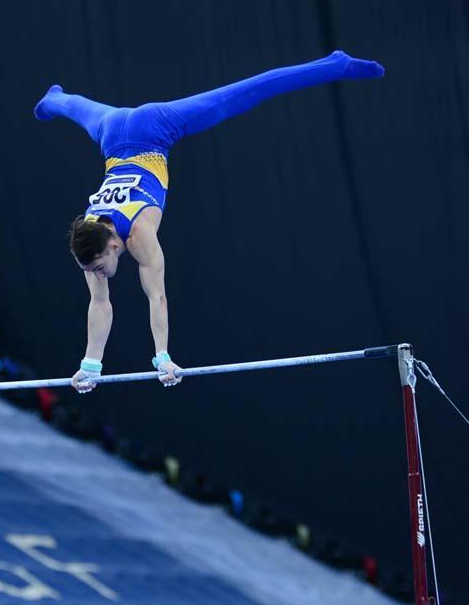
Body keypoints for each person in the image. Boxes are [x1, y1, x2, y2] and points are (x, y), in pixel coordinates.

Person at [34, 51, 385, 392]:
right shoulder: (89, 238)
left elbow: (157, 296)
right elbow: (99, 304)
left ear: (114, 244)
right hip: (110, 133)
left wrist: (162, 358)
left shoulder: (139, 234)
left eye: (98, 267)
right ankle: (54, 99)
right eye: (93, 270)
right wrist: (89, 366)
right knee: (74, 108)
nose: (96, 274)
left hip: (155, 130)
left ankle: (335, 65)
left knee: (246, 92)